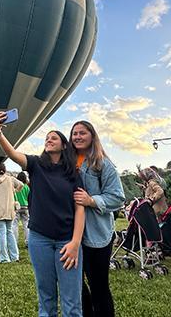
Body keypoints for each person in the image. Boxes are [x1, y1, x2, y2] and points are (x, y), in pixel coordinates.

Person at [0, 112, 86, 316]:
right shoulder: (36, 165)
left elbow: (80, 208)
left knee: (72, 301)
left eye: (54, 137)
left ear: (64, 145)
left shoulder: (72, 173)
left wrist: (75, 243)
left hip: (67, 241)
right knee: (46, 297)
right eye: (47, 138)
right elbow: (13, 154)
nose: (49, 140)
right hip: (40, 238)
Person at [70, 121, 126, 317]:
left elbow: (118, 197)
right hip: (72, 233)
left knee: (98, 284)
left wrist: (91, 200)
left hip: (97, 234)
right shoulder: (67, 161)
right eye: (74, 133)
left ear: (92, 136)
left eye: (82, 133)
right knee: (76, 283)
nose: (77, 136)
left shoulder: (103, 164)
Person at [0, 163, 23, 263]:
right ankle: (14, 256)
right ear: (5, 169)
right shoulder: (11, 179)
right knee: (9, 232)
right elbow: (21, 184)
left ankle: (4, 257)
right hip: (9, 209)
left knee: (1, 233)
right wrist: (14, 191)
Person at [12, 171, 31, 248]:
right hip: (25, 207)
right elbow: (28, 197)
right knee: (26, 225)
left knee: (14, 225)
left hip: (17, 207)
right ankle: (28, 242)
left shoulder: (16, 187)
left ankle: (14, 242)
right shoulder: (27, 187)